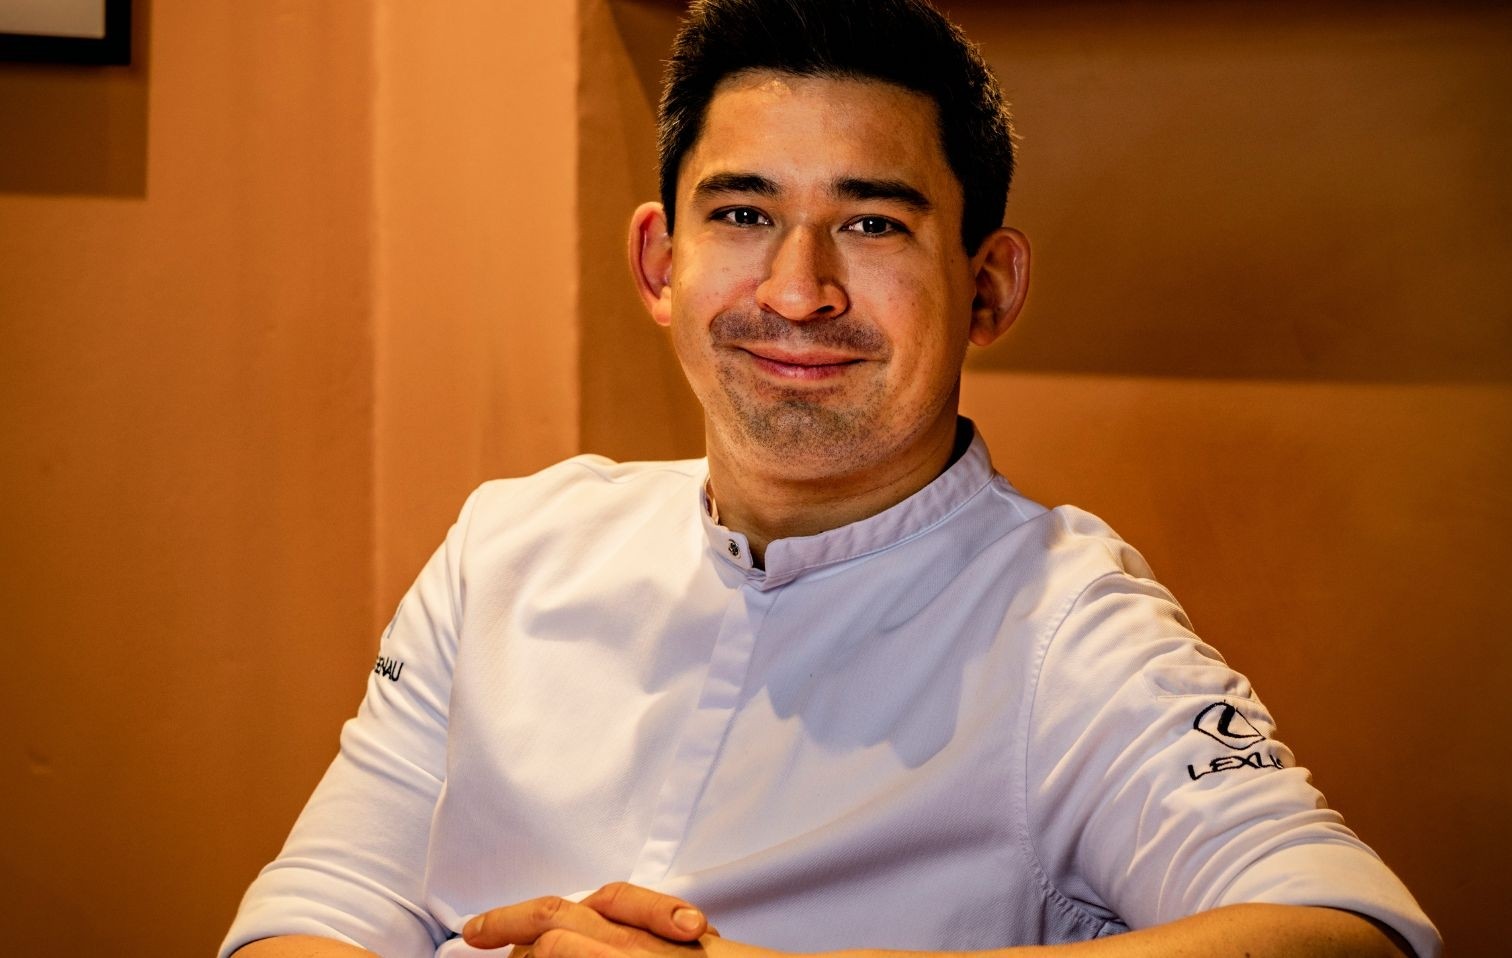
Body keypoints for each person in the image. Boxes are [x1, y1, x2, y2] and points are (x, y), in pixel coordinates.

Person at [222, 1, 1440, 956]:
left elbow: (1350, 929)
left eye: (872, 224)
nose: (797, 291)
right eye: (743, 214)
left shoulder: (1067, 625)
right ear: (659, 262)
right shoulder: (506, 548)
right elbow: (314, 911)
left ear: (988, 287)